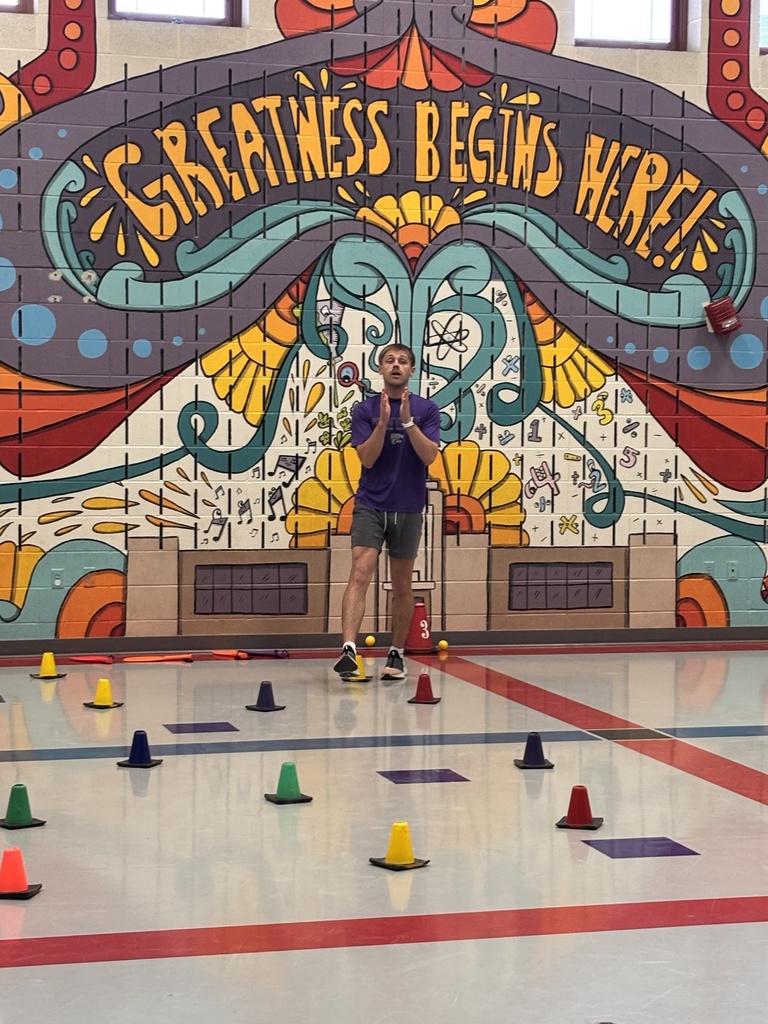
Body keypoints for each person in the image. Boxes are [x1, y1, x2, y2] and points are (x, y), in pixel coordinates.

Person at [334, 343, 441, 680]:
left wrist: (407, 422)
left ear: (412, 370)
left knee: (402, 584)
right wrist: (382, 423)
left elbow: (429, 456)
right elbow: (367, 459)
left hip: (408, 506)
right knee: (360, 571)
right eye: (390, 360)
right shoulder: (365, 409)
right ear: (380, 368)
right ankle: (348, 650)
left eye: (403, 361)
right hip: (371, 504)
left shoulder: (426, 409)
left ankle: (396, 653)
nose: (396, 365)